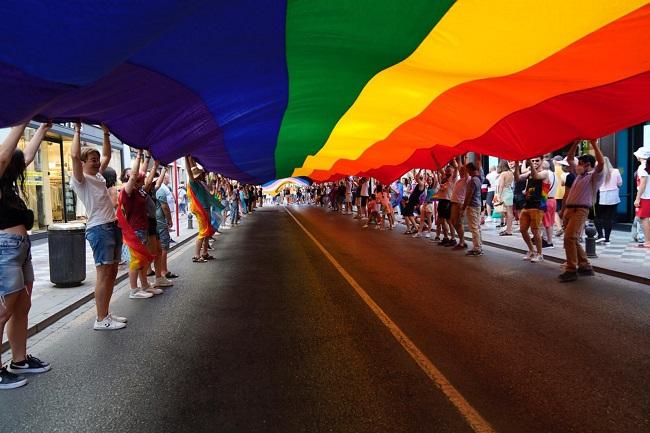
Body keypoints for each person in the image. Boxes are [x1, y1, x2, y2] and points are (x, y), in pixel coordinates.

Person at [0, 122, 52, 389]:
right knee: (2, 311)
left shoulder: (8, 184)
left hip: (20, 249)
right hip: (5, 249)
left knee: (22, 307)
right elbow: (4, 156)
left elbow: (26, 156)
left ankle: (19, 360)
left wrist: (43, 128)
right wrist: (23, 118)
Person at [71, 123, 132, 330]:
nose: (97, 163)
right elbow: (73, 156)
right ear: (83, 162)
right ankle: (100, 318)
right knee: (103, 273)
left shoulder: (97, 177)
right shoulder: (80, 180)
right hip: (99, 229)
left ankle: (106, 313)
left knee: (113, 272)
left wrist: (106, 132)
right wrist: (77, 130)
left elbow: (106, 155)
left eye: (97, 160)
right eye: (92, 160)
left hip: (111, 226)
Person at [558, 139, 605, 282]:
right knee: (573, 239)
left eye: (579, 164)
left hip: (580, 210)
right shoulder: (579, 175)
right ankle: (584, 266)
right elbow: (570, 158)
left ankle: (571, 269)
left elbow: (601, 163)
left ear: (587, 165)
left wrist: (594, 144)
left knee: (569, 238)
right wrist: (575, 143)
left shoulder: (595, 177)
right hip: (570, 210)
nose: (576, 166)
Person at [118, 151, 158, 299]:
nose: (137, 174)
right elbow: (136, 174)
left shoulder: (139, 190)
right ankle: (134, 290)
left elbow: (142, 173)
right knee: (136, 261)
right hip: (134, 231)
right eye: (132, 174)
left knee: (143, 259)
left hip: (142, 229)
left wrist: (148, 158)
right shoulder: (126, 192)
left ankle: (145, 285)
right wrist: (139, 154)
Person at [514, 157, 551, 263]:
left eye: (537, 161)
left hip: (538, 205)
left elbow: (536, 176)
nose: (534, 162)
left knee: (535, 230)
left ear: (542, 161)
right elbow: (517, 178)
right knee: (522, 229)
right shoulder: (529, 173)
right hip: (527, 205)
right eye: (533, 161)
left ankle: (540, 254)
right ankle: (531, 250)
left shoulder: (545, 172)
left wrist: (529, 162)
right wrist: (517, 165)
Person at [186, 156, 215, 262]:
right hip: (202, 210)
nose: (202, 175)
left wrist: (190, 160)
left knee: (207, 232)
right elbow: (190, 171)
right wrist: (187, 159)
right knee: (203, 232)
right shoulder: (193, 183)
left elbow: (211, 191)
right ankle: (197, 255)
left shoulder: (201, 183)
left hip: (206, 209)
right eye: (200, 174)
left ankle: (205, 253)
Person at [594, 157, 622, 244]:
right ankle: (607, 239)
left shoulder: (597, 172)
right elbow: (620, 183)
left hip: (601, 196)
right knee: (608, 218)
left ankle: (600, 235)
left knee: (597, 217)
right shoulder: (616, 171)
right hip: (613, 197)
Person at [462, 159, 484, 256]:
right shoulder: (479, 178)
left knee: (474, 227)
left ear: (470, 170)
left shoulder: (473, 180)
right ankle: (479, 245)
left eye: (467, 170)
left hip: (472, 205)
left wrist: (463, 207)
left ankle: (477, 248)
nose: (467, 172)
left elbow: (469, 195)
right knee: (477, 227)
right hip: (477, 205)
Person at [633, 147, 650, 248]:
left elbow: (643, 184)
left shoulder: (642, 167)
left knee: (643, 218)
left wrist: (637, 198)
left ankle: (648, 241)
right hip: (648, 195)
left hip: (645, 196)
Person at [495, 160, 514, 236]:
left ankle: (509, 230)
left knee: (508, 212)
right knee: (509, 212)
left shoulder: (503, 174)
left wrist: (499, 195)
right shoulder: (510, 173)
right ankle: (508, 228)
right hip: (510, 191)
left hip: (505, 192)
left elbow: (501, 185)